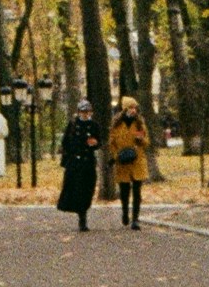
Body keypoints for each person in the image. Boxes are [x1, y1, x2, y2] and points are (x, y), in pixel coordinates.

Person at [57, 100, 100, 231]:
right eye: (83, 111)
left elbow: (99, 142)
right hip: (75, 163)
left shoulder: (94, 125)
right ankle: (82, 217)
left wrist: (95, 143)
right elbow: (65, 142)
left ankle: (83, 210)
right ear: (78, 112)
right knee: (77, 189)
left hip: (88, 162)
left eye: (87, 112)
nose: (85, 114)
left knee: (88, 189)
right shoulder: (73, 125)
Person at [110, 96, 150, 227]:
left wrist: (141, 139)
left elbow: (146, 142)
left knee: (137, 191)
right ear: (125, 109)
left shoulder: (139, 123)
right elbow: (112, 143)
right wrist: (117, 155)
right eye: (131, 108)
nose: (133, 110)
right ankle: (125, 212)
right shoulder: (117, 124)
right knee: (124, 191)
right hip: (122, 162)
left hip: (137, 160)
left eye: (135, 108)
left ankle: (135, 219)